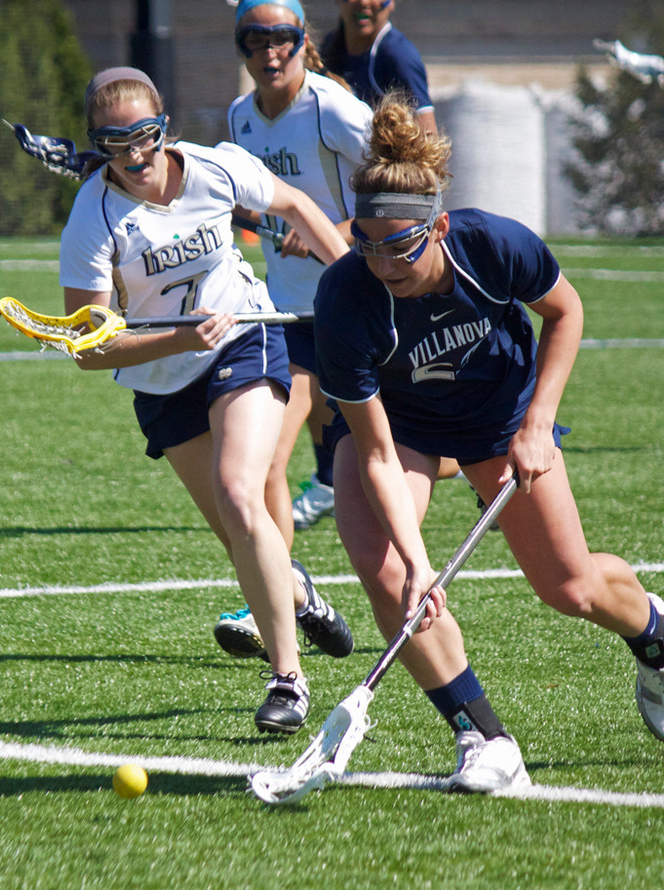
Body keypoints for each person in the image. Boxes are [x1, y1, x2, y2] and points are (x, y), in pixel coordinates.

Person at [313, 93, 664, 792]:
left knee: (570, 587)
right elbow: (372, 452)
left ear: (439, 227)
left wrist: (538, 422)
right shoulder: (344, 300)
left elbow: (565, 310)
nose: (384, 265)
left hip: (499, 416)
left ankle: (654, 634)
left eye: (400, 246)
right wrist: (418, 562)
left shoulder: (491, 245)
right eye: (367, 246)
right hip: (401, 427)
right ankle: (483, 739)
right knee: (389, 572)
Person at [58, 66, 354, 735]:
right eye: (115, 142)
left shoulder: (217, 170)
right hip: (162, 379)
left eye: (145, 136)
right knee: (242, 538)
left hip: (243, 338)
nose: (134, 154)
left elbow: (298, 207)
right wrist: (173, 338)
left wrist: (353, 288)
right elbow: (88, 348)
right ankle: (300, 591)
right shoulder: (93, 221)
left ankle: (287, 679)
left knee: (240, 494)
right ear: (97, 144)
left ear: (166, 128)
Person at [211, 0, 373, 654]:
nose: (269, 51)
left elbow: (407, 194)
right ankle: (279, 591)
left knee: (421, 458)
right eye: (255, 40)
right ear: (242, 48)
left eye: (282, 38)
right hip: (286, 318)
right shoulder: (238, 120)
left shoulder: (335, 110)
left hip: (361, 307)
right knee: (266, 462)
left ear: (304, 41)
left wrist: (328, 234)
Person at [321, 0, 437, 134]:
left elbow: (427, 138)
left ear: (391, 3)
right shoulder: (329, 48)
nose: (363, 3)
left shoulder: (398, 56)